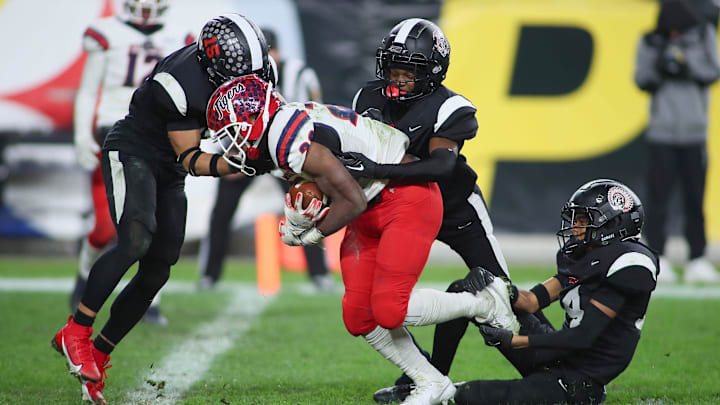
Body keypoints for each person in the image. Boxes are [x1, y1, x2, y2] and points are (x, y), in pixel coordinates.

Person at [205, 74, 520, 405]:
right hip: (372, 200)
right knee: (359, 315)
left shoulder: (286, 137)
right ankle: (430, 380)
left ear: (255, 118)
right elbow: (340, 184)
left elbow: (350, 200)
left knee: (389, 309)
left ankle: (484, 303)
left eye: (232, 133)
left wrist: (310, 234)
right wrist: (308, 205)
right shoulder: (279, 130)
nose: (231, 145)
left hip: (405, 197)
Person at [51, 14, 273, 405]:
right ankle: (76, 330)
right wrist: (238, 164)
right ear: (211, 64)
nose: (245, 86)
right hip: (135, 151)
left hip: (168, 168)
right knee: (136, 238)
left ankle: (100, 355)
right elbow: (189, 158)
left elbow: (266, 113)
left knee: (159, 268)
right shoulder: (180, 81)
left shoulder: (257, 69)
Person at [342, 18, 529, 402]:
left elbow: (442, 166)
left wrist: (378, 170)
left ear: (432, 72)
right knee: (378, 302)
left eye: (409, 71)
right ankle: (425, 375)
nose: (399, 77)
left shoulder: (449, 107)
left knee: (503, 295)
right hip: (394, 212)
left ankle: (552, 373)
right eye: (393, 68)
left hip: (454, 209)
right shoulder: (368, 98)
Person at [452, 179, 657, 405]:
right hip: (557, 355)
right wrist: (497, 285)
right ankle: (431, 378)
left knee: (468, 395)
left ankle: (445, 392)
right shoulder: (587, 258)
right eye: (574, 220)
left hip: (579, 380)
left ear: (612, 224)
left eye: (582, 221)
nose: (575, 228)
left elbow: (582, 337)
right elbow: (530, 302)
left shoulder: (628, 265)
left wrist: (514, 341)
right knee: (464, 291)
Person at [70, 0, 194, 326]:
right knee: (106, 228)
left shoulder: (179, 36)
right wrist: (82, 134)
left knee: (156, 228)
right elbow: (87, 91)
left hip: (159, 136)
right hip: (116, 132)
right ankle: (84, 279)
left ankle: (150, 302)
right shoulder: (107, 33)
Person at [196, 26, 332, 291]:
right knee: (221, 212)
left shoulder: (300, 75)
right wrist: (230, 153)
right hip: (246, 151)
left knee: (307, 206)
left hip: (287, 154)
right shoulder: (236, 75)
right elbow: (224, 117)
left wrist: (303, 158)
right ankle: (209, 275)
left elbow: (314, 116)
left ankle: (319, 273)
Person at [634, 0, 720, 283]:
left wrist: (686, 63)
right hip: (662, 133)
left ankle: (698, 257)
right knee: (658, 199)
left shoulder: (703, 35)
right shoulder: (650, 41)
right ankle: (657, 256)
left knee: (694, 198)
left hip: (694, 133)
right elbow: (641, 79)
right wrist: (661, 65)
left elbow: (712, 72)